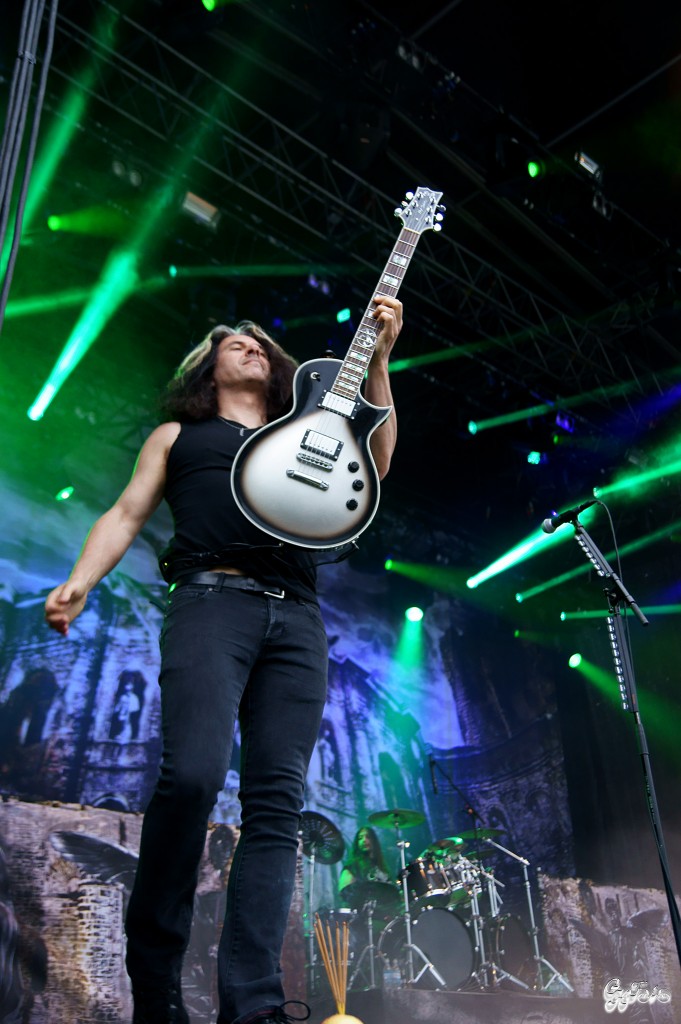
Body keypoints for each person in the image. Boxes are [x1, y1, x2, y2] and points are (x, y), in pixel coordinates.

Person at [44, 294, 403, 1024]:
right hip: (212, 601)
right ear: (203, 368)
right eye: (232, 341)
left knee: (278, 808)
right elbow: (125, 513)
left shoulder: (300, 430)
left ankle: (254, 1004)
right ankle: (157, 985)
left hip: (298, 619)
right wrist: (80, 581)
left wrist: (381, 364)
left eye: (260, 342)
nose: (250, 345)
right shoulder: (178, 436)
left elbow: (376, 463)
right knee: (195, 776)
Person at [338, 826, 390, 893]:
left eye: (368, 837)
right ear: (357, 843)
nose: (364, 840)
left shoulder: (382, 866)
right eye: (360, 838)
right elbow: (344, 892)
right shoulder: (351, 867)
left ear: (374, 841)